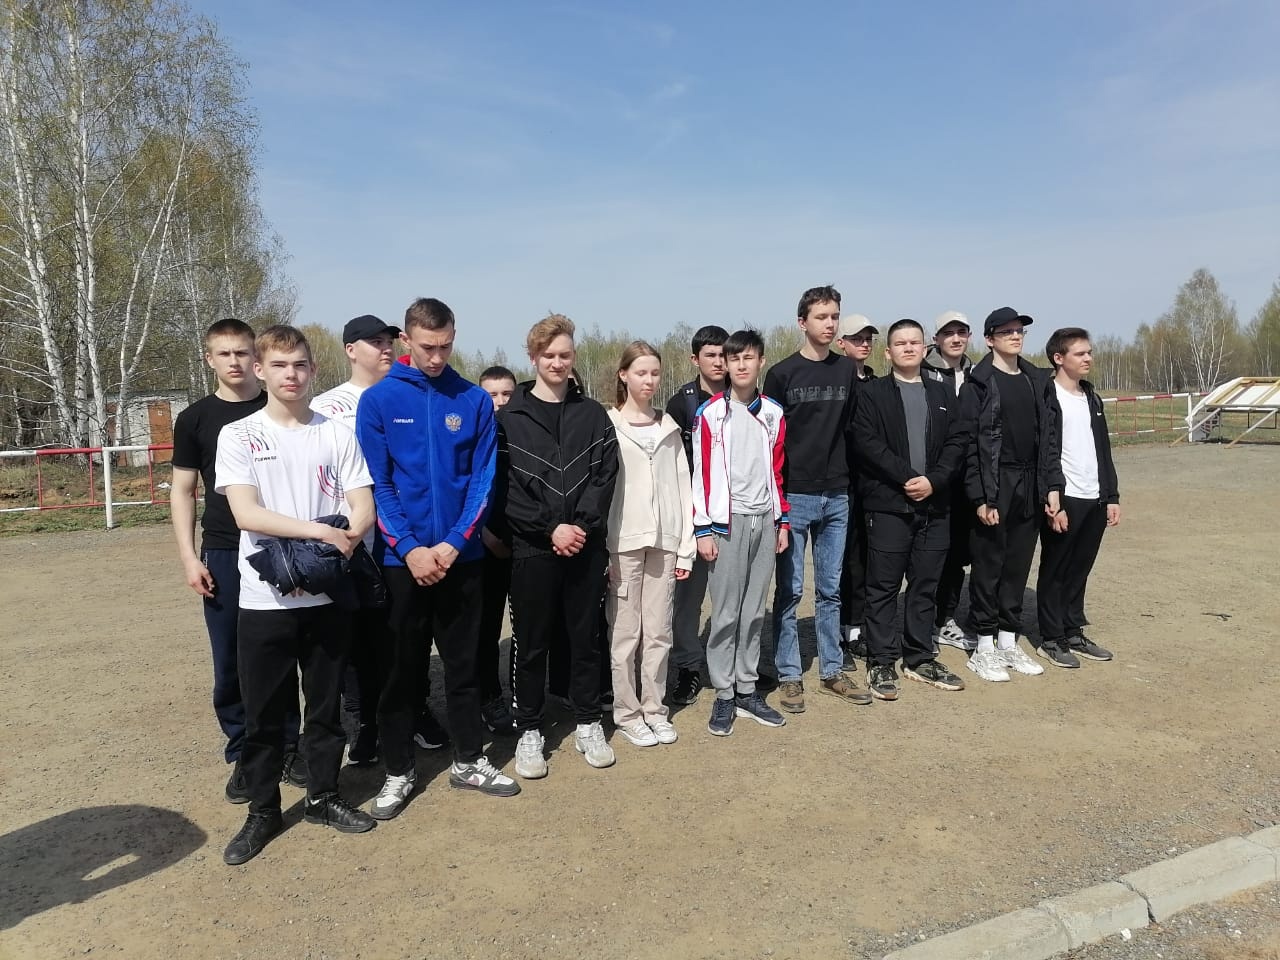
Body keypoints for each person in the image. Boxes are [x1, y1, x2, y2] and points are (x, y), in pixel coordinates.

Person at [215, 324, 377, 865]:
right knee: (265, 715)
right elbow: (246, 513)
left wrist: (344, 543)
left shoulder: (336, 433)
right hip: (265, 600)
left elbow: (362, 503)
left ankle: (323, 796)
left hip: (328, 596)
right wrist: (322, 535)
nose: (292, 375)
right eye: (280, 365)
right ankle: (262, 810)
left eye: (301, 365)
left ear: (313, 369)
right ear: (260, 370)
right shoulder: (239, 435)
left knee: (326, 710)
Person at [356, 298, 520, 820]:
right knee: (400, 672)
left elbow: (482, 480)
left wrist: (451, 543)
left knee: (465, 666)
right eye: (427, 347)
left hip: (460, 558)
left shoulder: (471, 399)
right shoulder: (379, 401)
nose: (436, 356)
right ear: (406, 341)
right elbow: (377, 482)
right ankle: (398, 771)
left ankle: (468, 760)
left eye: (446, 346)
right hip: (401, 563)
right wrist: (409, 548)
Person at [170, 318, 304, 803]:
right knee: (229, 658)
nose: (234, 362)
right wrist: (190, 558)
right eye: (224, 354)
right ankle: (244, 750)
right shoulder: (195, 419)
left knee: (280, 651)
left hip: (279, 549)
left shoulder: (279, 408)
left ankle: (288, 744)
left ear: (257, 359)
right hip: (225, 550)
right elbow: (183, 490)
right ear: (209, 359)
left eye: (242, 353)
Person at [496, 314, 619, 778]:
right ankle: (529, 728)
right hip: (533, 549)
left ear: (573, 357)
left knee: (585, 639)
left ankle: (588, 721)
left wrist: (579, 526)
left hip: (585, 546)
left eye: (564, 355)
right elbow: (504, 488)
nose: (557, 362)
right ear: (533, 358)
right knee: (532, 643)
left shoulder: (593, 415)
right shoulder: (509, 419)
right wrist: (551, 529)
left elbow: (605, 474)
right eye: (548, 355)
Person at [764, 285, 870, 713]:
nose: (829, 324)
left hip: (837, 494)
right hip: (795, 496)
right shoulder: (782, 374)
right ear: (802, 322)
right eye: (821, 317)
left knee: (830, 590)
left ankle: (832, 670)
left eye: (834, 316)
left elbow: (855, 429)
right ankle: (789, 674)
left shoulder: (846, 370)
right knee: (790, 591)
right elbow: (771, 440)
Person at [852, 319, 969, 699]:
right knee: (883, 587)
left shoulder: (943, 393)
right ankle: (882, 660)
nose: (907, 348)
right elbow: (867, 443)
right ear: (888, 352)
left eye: (914, 342)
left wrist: (934, 480)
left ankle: (919, 657)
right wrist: (907, 477)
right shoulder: (871, 394)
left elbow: (957, 442)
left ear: (924, 349)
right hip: (889, 505)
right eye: (900, 343)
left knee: (925, 586)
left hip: (935, 506)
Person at [692, 329, 791, 736]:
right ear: (726, 366)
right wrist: (703, 529)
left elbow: (778, 472)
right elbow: (701, 476)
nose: (741, 365)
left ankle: (747, 689)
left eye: (749, 358)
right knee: (726, 612)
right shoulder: (710, 414)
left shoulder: (774, 413)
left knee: (754, 611)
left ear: (761, 361)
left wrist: (781, 521)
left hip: (764, 521)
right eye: (734, 359)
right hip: (726, 523)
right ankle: (724, 693)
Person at [310, 314, 399, 766]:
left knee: (399, 633)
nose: (386, 348)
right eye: (375, 341)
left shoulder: (404, 393)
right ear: (350, 349)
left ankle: (413, 712)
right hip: (352, 539)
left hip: (400, 536)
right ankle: (365, 723)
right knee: (355, 639)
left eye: (389, 341)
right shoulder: (326, 406)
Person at [606, 342, 694, 747]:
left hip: (665, 541)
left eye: (655, 373)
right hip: (623, 542)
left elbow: (683, 486)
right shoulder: (608, 425)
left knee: (658, 632)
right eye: (641, 372)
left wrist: (685, 546)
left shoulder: (669, 428)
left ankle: (654, 709)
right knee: (625, 633)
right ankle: (627, 713)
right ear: (624, 375)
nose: (649, 381)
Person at [958, 308, 1048, 682]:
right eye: (1007, 331)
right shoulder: (977, 384)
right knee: (989, 565)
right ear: (990, 339)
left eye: (1020, 331)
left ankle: (1008, 640)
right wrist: (981, 497)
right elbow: (969, 445)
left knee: (1017, 564)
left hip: (1029, 482)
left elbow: (1048, 439)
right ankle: (983, 647)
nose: (1015, 336)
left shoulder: (1035, 380)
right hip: (995, 482)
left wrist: (1049, 488)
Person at [1035, 328, 1120, 667]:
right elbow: (1044, 451)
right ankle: (1051, 638)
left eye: (1089, 352)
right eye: (1080, 353)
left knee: (1080, 569)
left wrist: (1111, 495)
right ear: (1059, 358)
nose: (1088, 358)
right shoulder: (1046, 396)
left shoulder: (1091, 397)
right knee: (1056, 568)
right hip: (1064, 496)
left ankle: (1072, 631)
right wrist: (1051, 496)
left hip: (1094, 496)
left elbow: (1104, 449)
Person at [664, 325, 729, 706]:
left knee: (731, 597)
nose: (719, 362)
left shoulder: (744, 395)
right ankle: (688, 667)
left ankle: (733, 664)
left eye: (723, 354)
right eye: (710, 355)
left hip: (733, 515)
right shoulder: (682, 404)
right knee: (688, 602)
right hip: (693, 517)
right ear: (695, 359)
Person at [923, 310, 978, 654]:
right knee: (929, 555)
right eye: (948, 333)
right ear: (937, 338)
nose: (956, 339)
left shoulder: (977, 375)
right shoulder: (921, 372)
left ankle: (945, 618)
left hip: (967, 480)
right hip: (933, 479)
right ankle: (922, 621)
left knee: (958, 554)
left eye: (962, 332)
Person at [475, 366, 519, 733]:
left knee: (526, 629)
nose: (500, 401)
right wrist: (485, 535)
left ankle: (524, 697)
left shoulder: (524, 433)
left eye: (507, 394)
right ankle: (488, 698)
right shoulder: (474, 434)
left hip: (521, 544)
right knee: (486, 629)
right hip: (483, 546)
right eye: (492, 394)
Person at [834, 314, 878, 666]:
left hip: (871, 483)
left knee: (864, 557)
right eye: (856, 338)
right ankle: (836, 630)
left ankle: (856, 628)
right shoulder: (836, 379)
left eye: (867, 338)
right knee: (842, 560)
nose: (863, 344)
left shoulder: (875, 383)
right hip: (841, 481)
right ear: (841, 343)